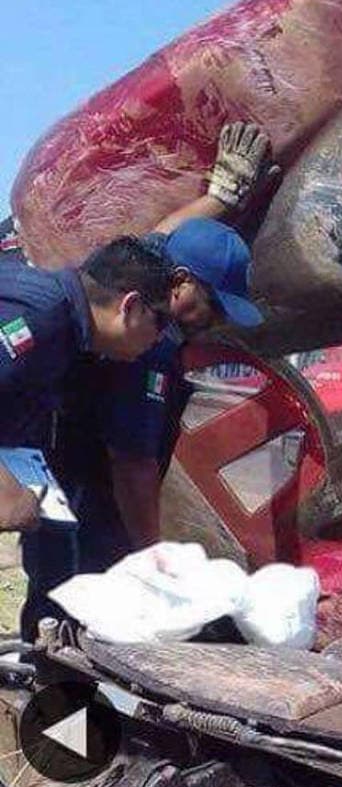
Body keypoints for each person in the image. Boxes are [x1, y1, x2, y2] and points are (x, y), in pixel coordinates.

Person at [24, 122, 273, 627]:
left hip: (57, 463)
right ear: (180, 285)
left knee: (54, 591)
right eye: (213, 306)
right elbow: (132, 466)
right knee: (76, 608)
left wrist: (221, 197)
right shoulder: (151, 342)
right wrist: (151, 556)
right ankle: (49, 669)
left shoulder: (140, 269)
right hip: (89, 491)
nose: (215, 321)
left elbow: (164, 230)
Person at [0, 236, 173, 587]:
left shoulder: (69, 328)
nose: (160, 339)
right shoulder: (41, 316)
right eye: (161, 322)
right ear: (130, 306)